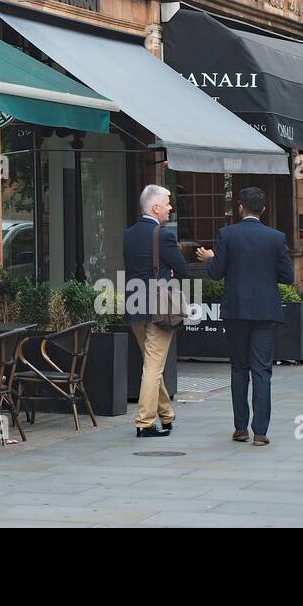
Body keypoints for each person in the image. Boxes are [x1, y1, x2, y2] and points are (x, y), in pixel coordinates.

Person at [203, 186, 294, 446]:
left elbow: (216, 272)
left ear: (240, 207)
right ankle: (261, 431)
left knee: (239, 368)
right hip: (266, 311)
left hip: (237, 310)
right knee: (262, 370)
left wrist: (210, 258)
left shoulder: (227, 235)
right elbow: (287, 276)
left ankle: (240, 427)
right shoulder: (275, 237)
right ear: (263, 209)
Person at [123, 185, 189, 438]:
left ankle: (166, 415)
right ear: (155, 207)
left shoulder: (129, 233)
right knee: (153, 366)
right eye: (168, 203)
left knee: (152, 362)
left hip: (135, 303)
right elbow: (182, 269)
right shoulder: (163, 235)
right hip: (159, 308)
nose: (171, 207)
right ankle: (145, 422)